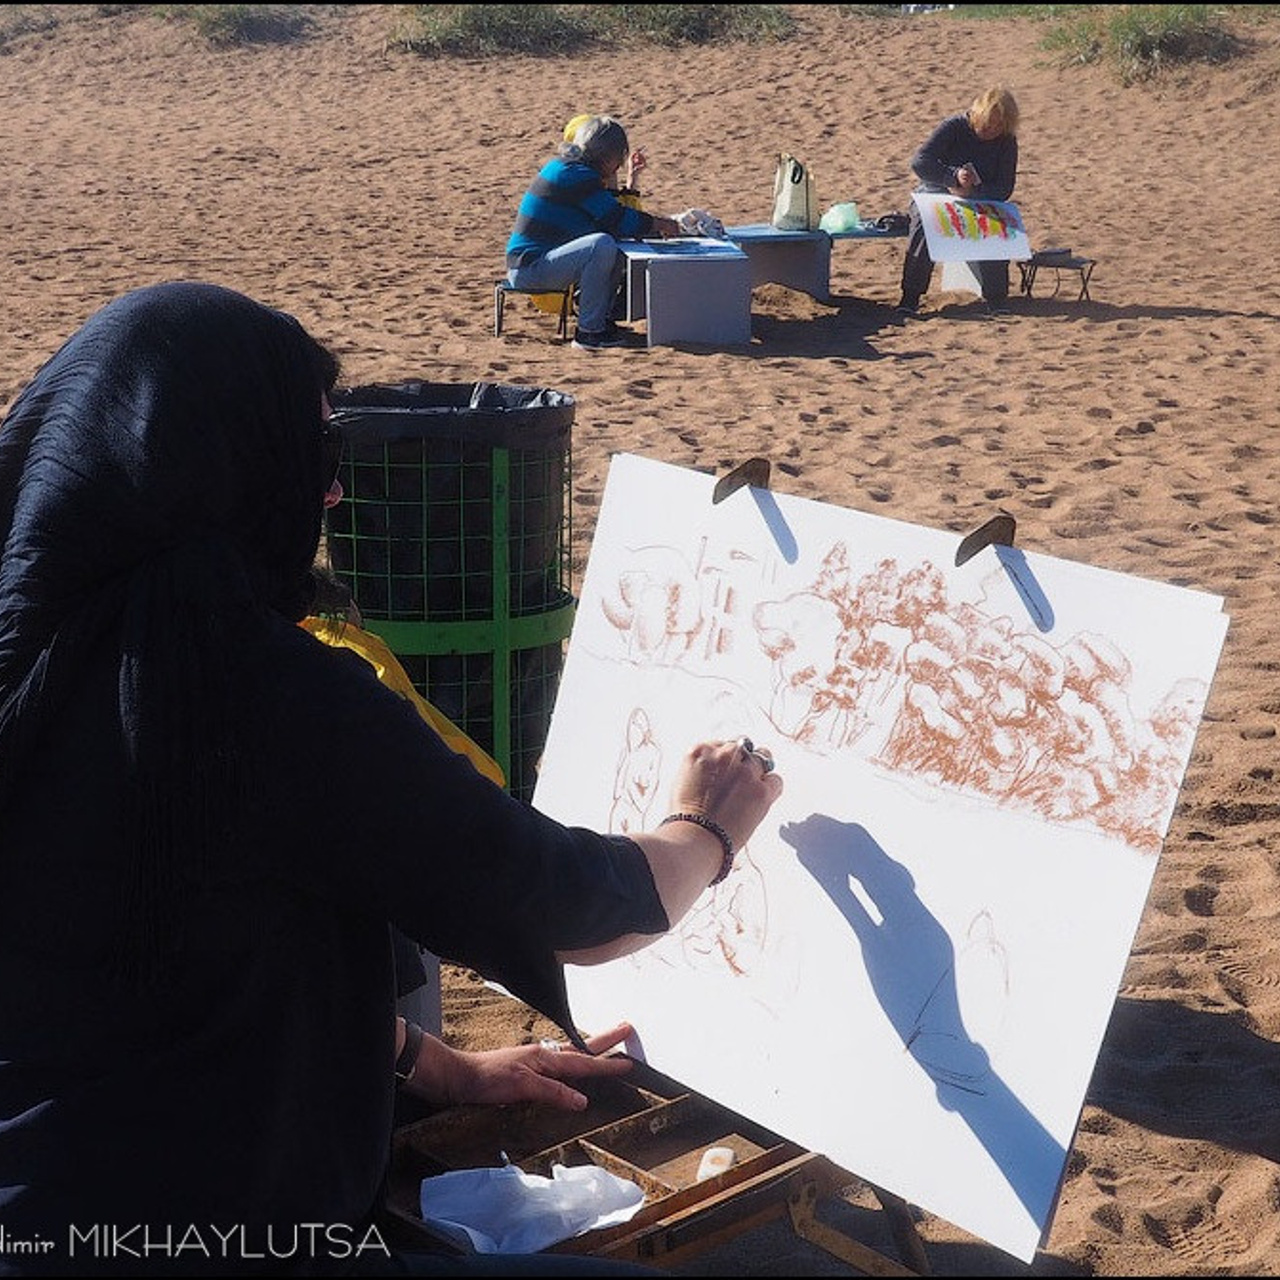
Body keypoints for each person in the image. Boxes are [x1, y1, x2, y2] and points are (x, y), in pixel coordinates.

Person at [0, 281, 783, 1276]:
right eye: (320, 456)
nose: (330, 495)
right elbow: (576, 912)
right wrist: (701, 830)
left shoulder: (29, 655)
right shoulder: (259, 692)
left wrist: (435, 1064)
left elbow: (181, 971)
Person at [505, 115, 681, 351]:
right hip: (530, 267)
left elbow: (612, 216)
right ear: (607, 157)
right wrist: (661, 224)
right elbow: (618, 220)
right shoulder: (577, 176)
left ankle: (603, 319)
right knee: (601, 245)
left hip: (538, 261)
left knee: (611, 246)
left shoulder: (568, 168)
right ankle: (589, 332)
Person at [897, 86, 1020, 313]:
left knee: (996, 224)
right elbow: (920, 162)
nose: (991, 129)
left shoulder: (1006, 141)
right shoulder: (954, 127)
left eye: (998, 125)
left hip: (978, 197)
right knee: (926, 224)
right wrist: (952, 178)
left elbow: (1004, 187)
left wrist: (974, 193)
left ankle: (996, 299)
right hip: (935, 191)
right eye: (987, 123)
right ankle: (910, 297)